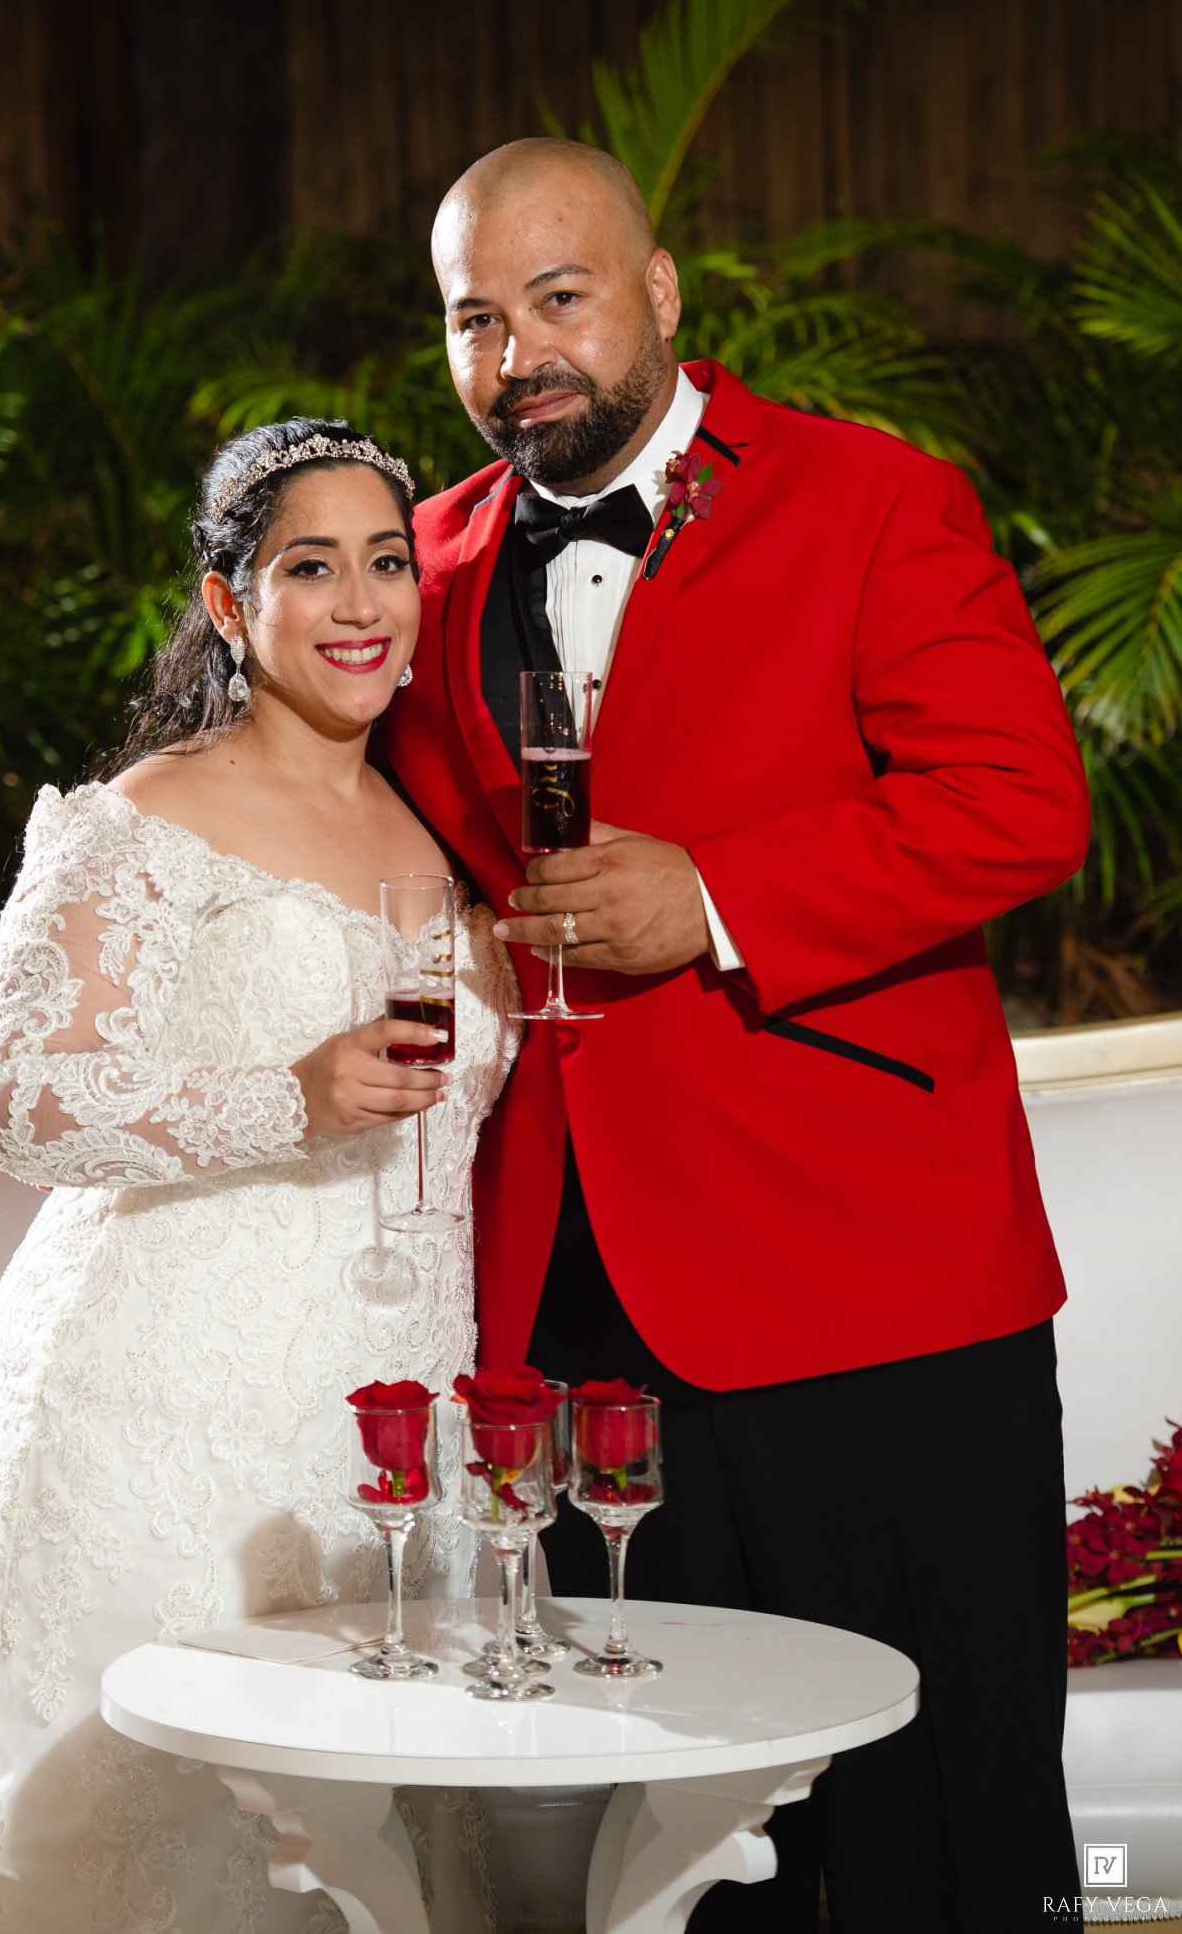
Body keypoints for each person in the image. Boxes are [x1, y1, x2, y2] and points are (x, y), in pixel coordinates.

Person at [385, 138, 1091, 1933]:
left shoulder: (873, 499)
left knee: (941, 1823)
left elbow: (1019, 804)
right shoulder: (419, 563)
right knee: (670, 1845)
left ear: (660, 291)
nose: (519, 353)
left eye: (560, 297)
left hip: (873, 1280)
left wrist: (713, 897)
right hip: (574, 1310)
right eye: (477, 318)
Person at [0, 419, 516, 1932]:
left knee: (353, 1833)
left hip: (386, 1421)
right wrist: (289, 1095)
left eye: (386, 563)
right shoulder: (150, 816)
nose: (359, 605)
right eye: (309, 567)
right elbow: (13, 1101)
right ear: (228, 604)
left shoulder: (444, 830)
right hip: (162, 1400)